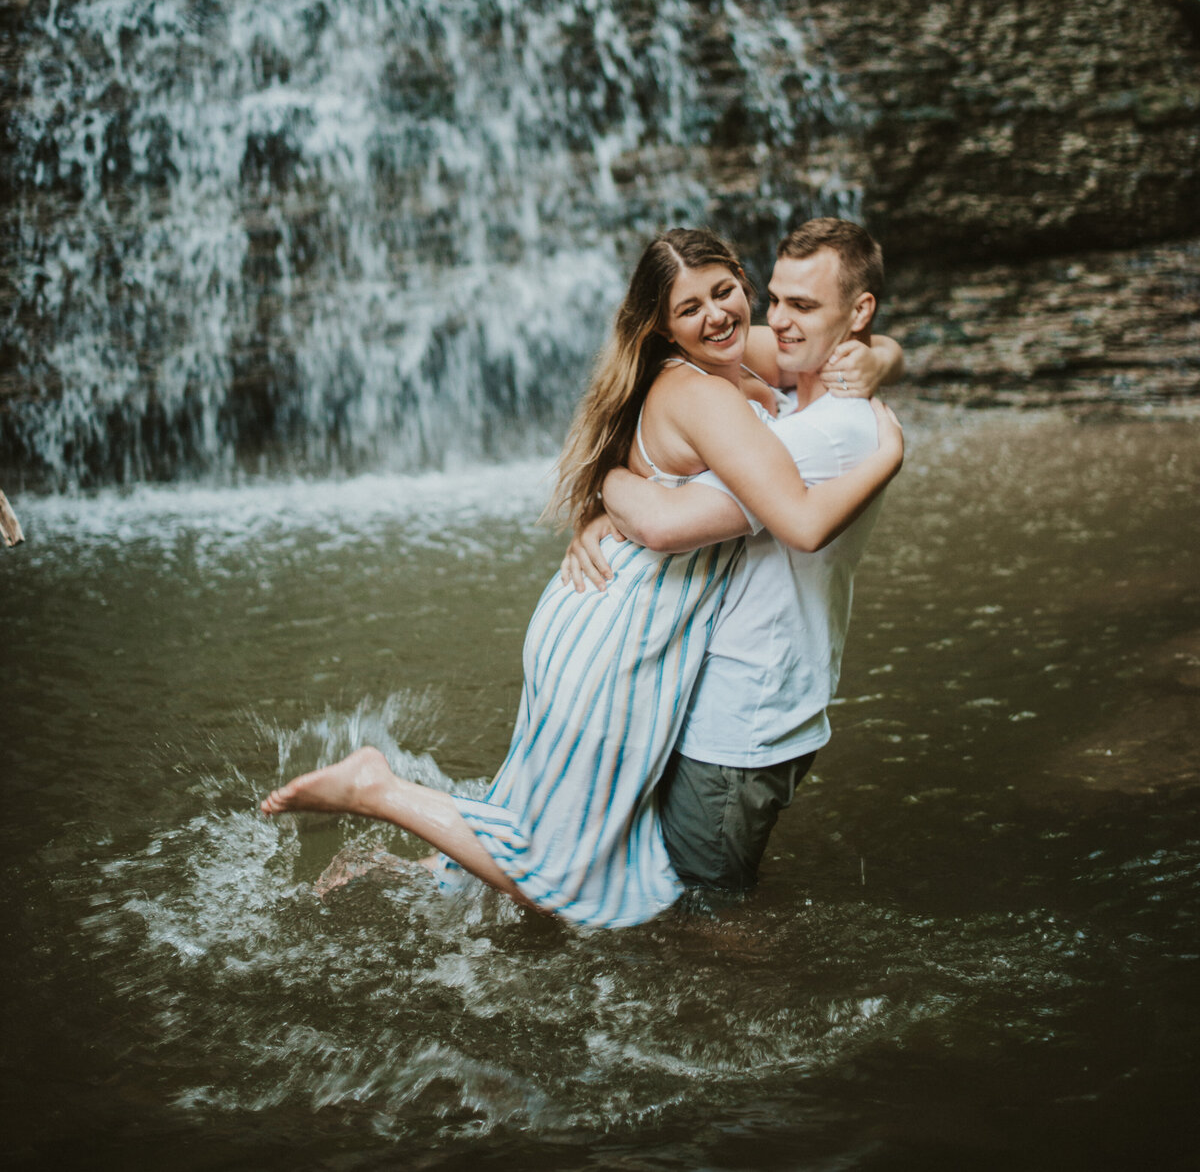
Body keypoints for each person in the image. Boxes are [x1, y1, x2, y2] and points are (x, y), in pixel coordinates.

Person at [261, 227, 904, 928]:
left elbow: (825, 353)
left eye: (727, 292)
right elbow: (774, 522)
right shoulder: (707, 393)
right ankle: (375, 789)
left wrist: (881, 357)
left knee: (557, 820)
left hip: (608, 615)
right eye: (690, 308)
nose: (723, 315)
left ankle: (397, 871)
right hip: (623, 636)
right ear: (662, 324)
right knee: (565, 869)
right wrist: (888, 453)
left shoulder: (734, 353)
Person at [565, 218, 896, 900]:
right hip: (694, 677)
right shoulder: (731, 375)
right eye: (776, 301)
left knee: (693, 910)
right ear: (664, 324)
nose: (772, 324)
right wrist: (888, 363)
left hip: (730, 708)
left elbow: (664, 522)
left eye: (726, 294)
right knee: (605, 865)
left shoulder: (810, 428)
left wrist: (607, 485)